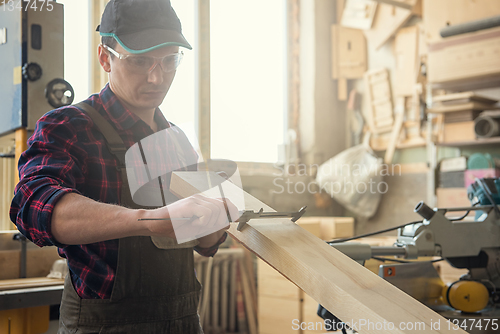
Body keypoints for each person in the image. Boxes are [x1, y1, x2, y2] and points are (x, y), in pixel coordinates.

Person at [10, 0, 235, 332]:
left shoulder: (177, 141)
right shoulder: (68, 126)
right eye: (140, 61)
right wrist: (145, 220)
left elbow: (201, 242)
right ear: (105, 57)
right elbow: (32, 206)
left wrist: (212, 226)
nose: (157, 76)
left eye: (169, 60)